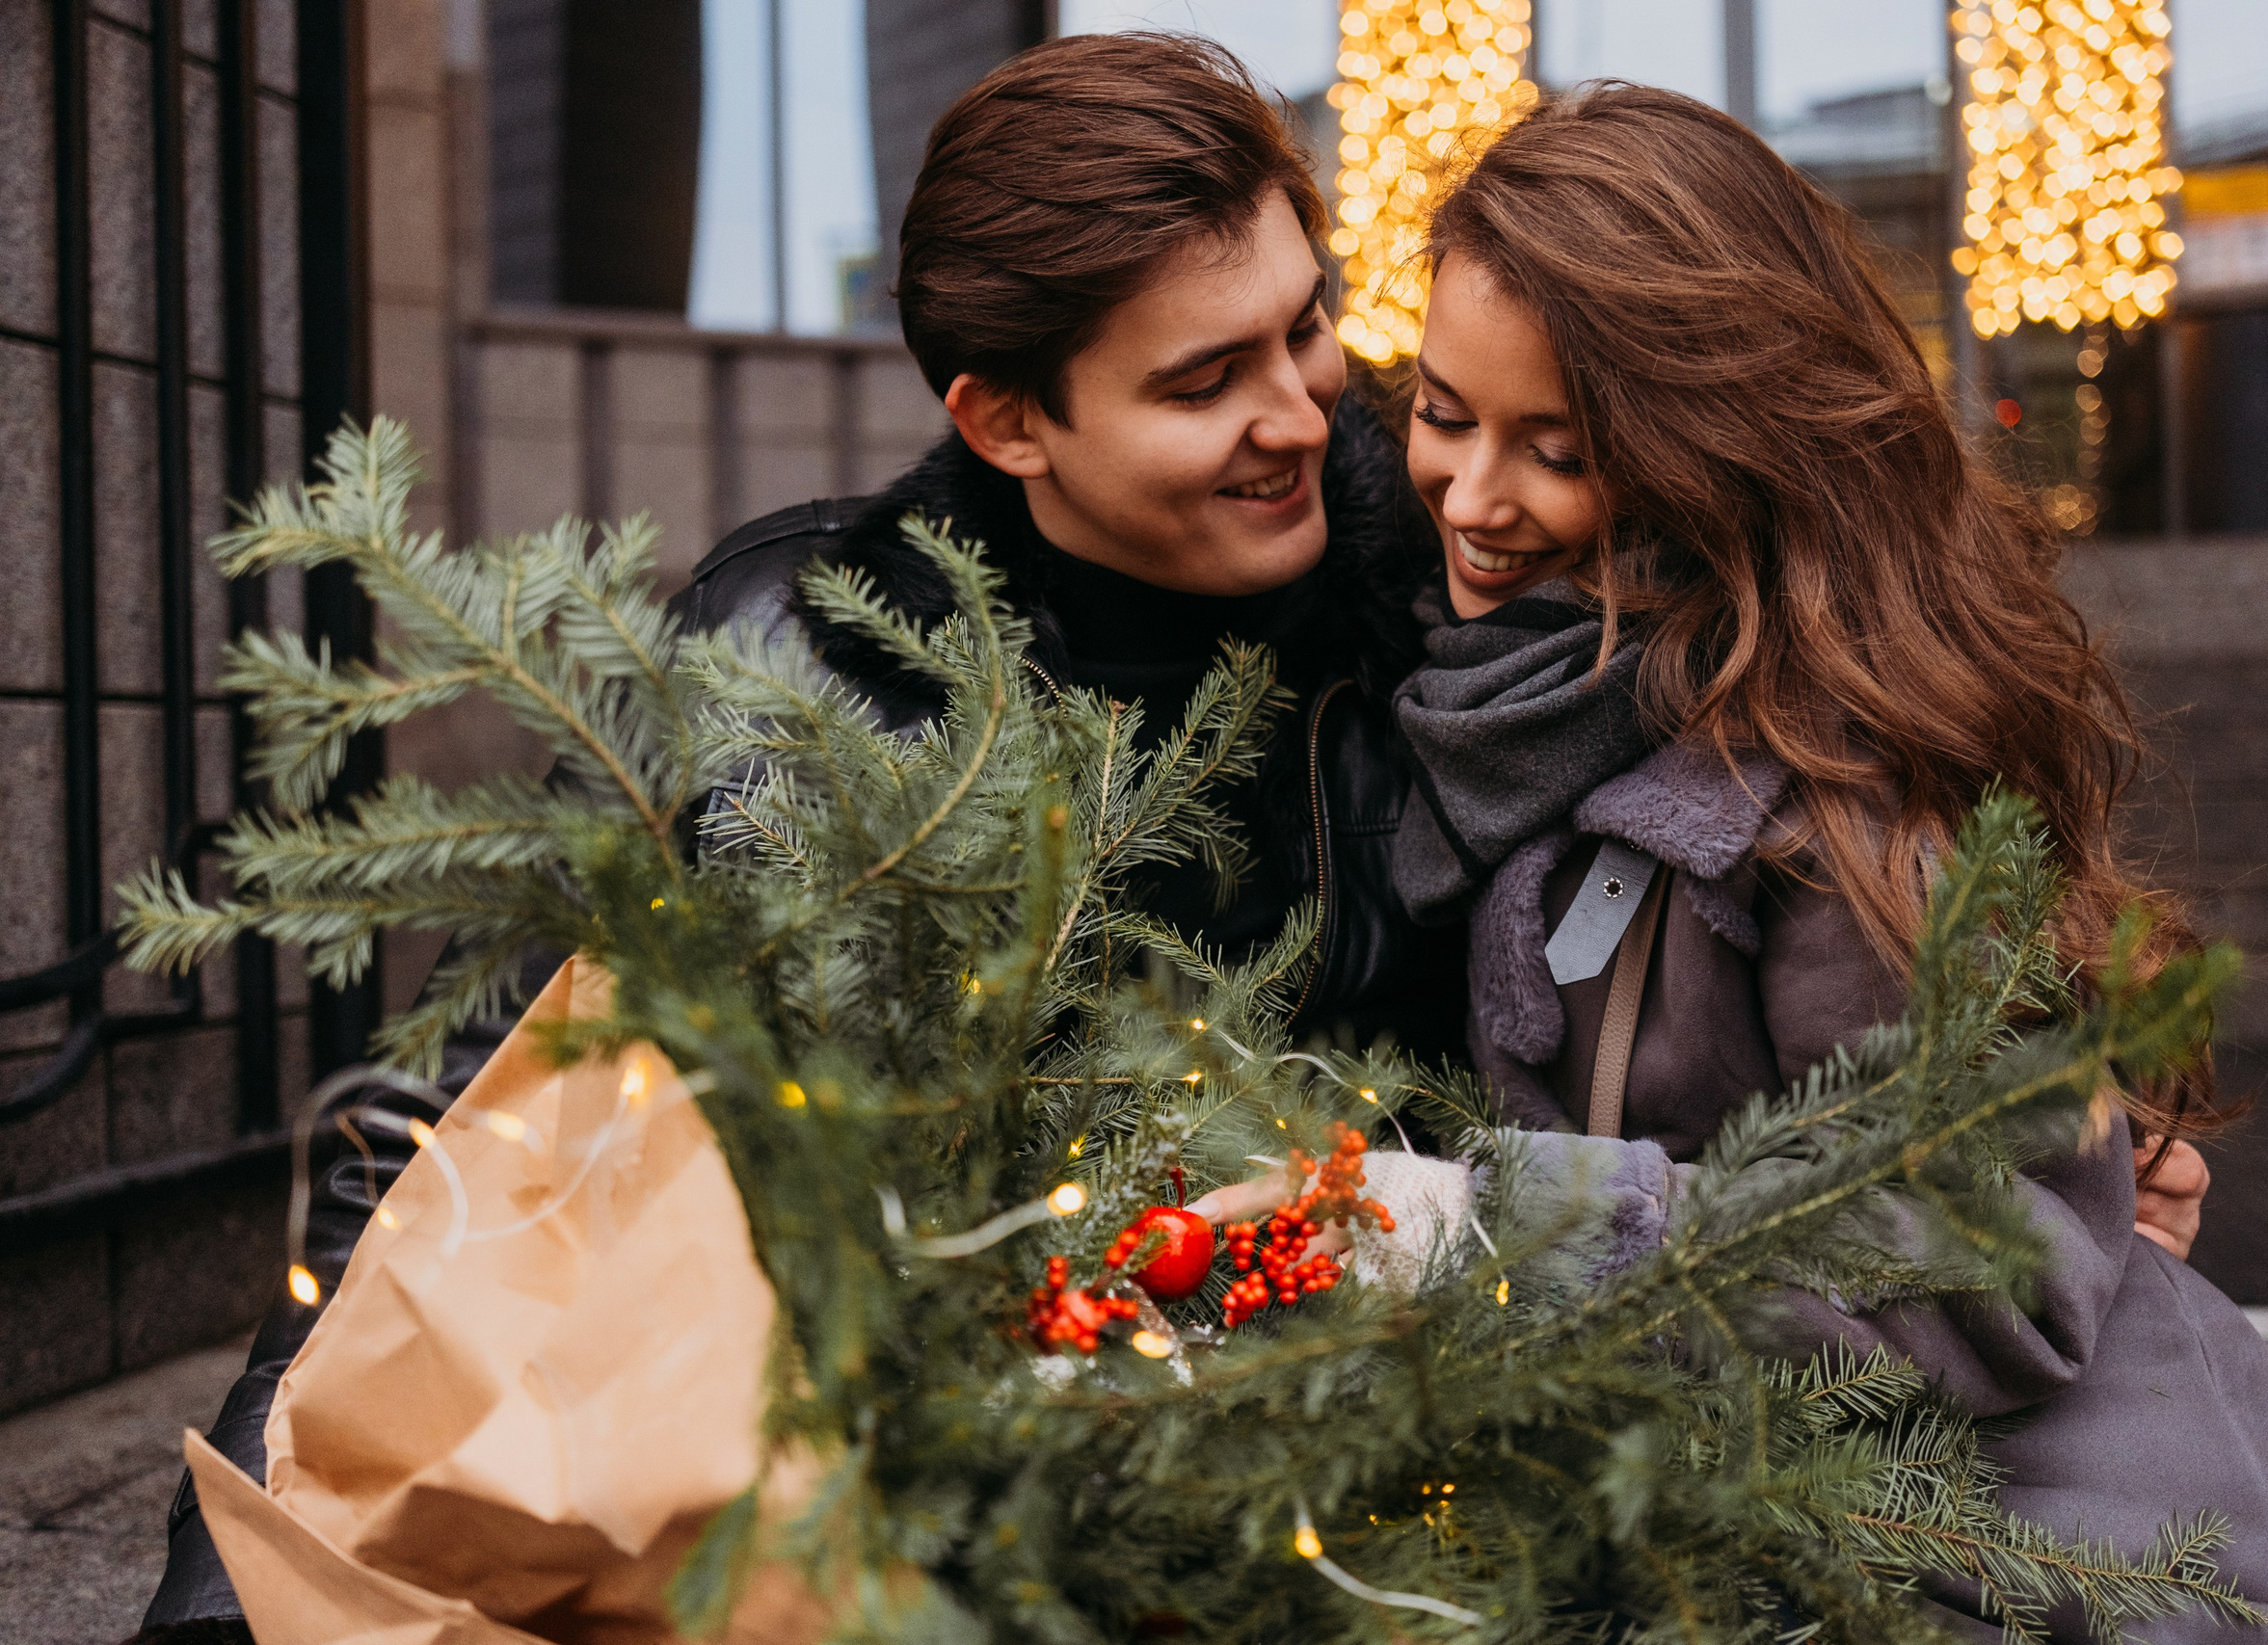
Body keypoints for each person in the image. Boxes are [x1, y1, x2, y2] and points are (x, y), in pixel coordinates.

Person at [135, 34, 1460, 1640]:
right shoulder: (785, 658)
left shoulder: (1460, 616)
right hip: (872, 1492)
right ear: (1008, 420)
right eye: (1203, 382)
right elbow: (465, 1129)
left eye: (1306, 325)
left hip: (1355, 1476)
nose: (1300, 413)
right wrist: (232, 1588)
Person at [1195, 85, 2268, 1641]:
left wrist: (1489, 1227)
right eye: (1445, 415)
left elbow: (1984, 1259)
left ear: (1706, 453)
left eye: (1557, 450)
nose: (1472, 497)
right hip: (1703, 1519)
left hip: (2011, 1574)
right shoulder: (1512, 699)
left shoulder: (1840, 791)